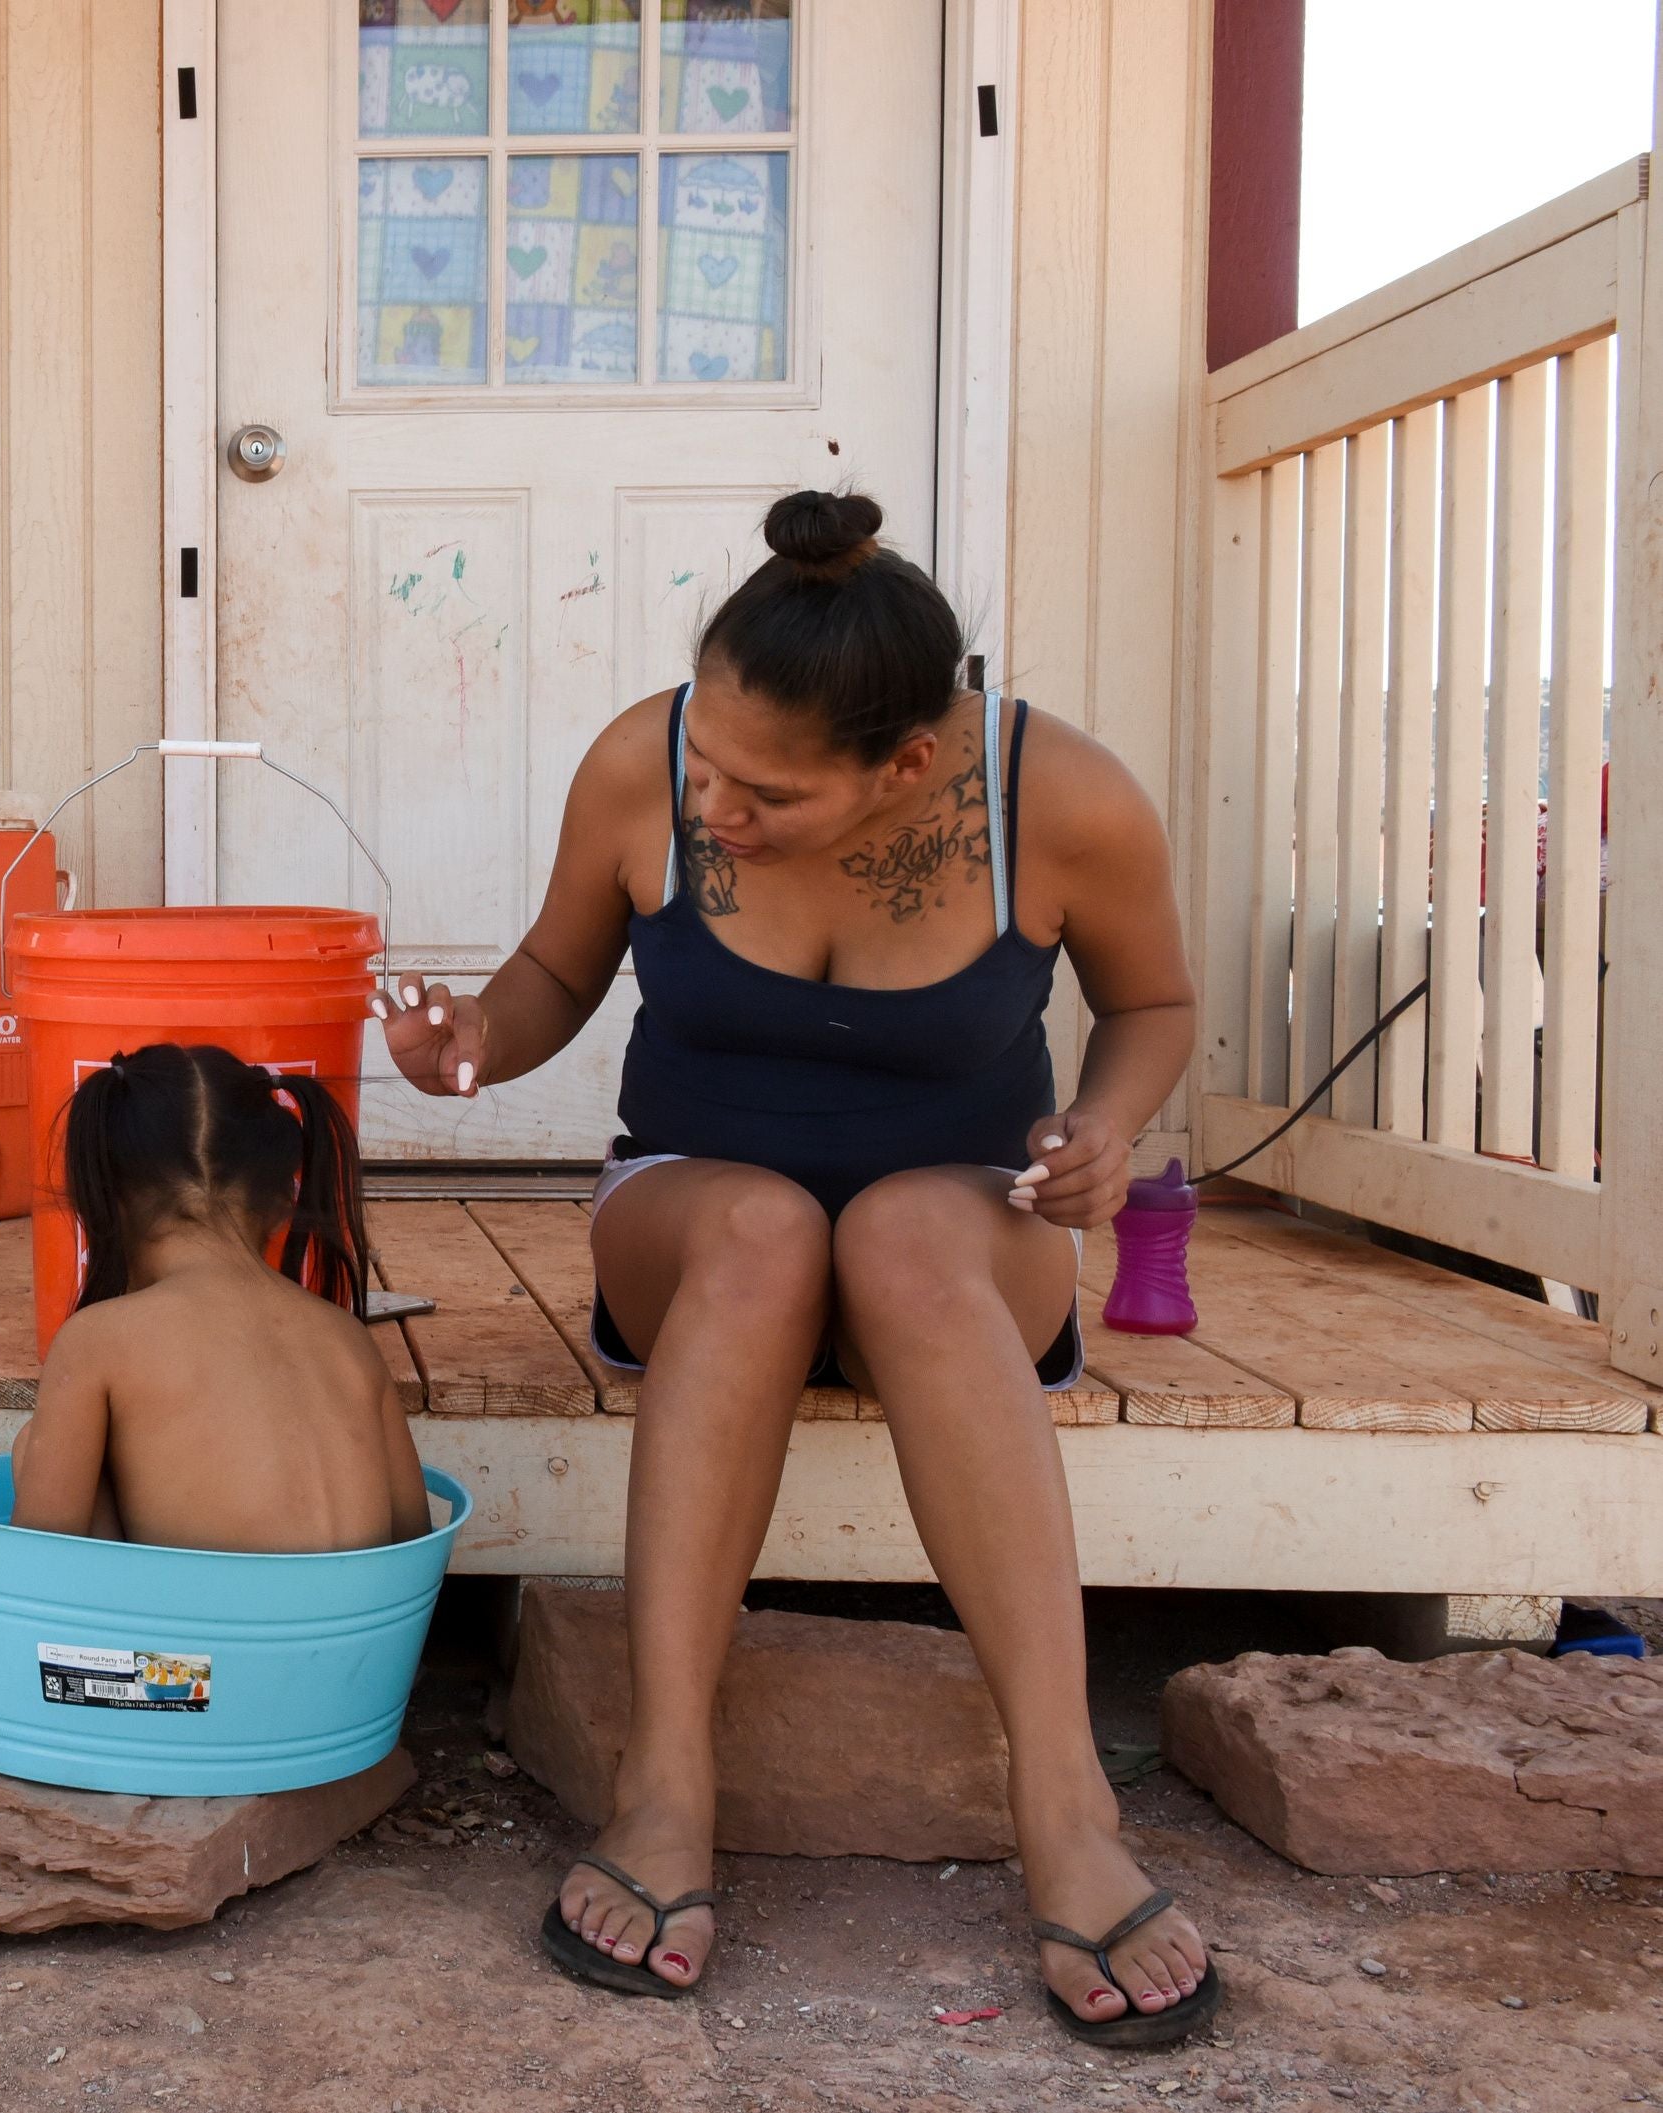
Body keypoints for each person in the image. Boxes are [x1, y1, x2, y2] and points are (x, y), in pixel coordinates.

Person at [381, 490, 1213, 2047]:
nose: (711, 805)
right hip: (694, 1219)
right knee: (768, 1227)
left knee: (897, 1229)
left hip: (963, 1220)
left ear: (905, 765)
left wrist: (1102, 1122)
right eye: (704, 762)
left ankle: (1067, 1802)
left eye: (761, 790)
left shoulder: (1061, 797)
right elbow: (563, 964)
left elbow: (1150, 1003)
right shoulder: (647, 759)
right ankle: (662, 1784)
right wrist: (477, 1042)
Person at [10, 1043, 432, 1556]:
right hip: (381, 1636)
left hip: (199, 1637)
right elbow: (414, 1541)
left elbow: (37, 1561)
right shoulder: (348, 1336)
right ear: (283, 1201)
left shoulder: (97, 1339)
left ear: (105, 1201)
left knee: (34, 1445)